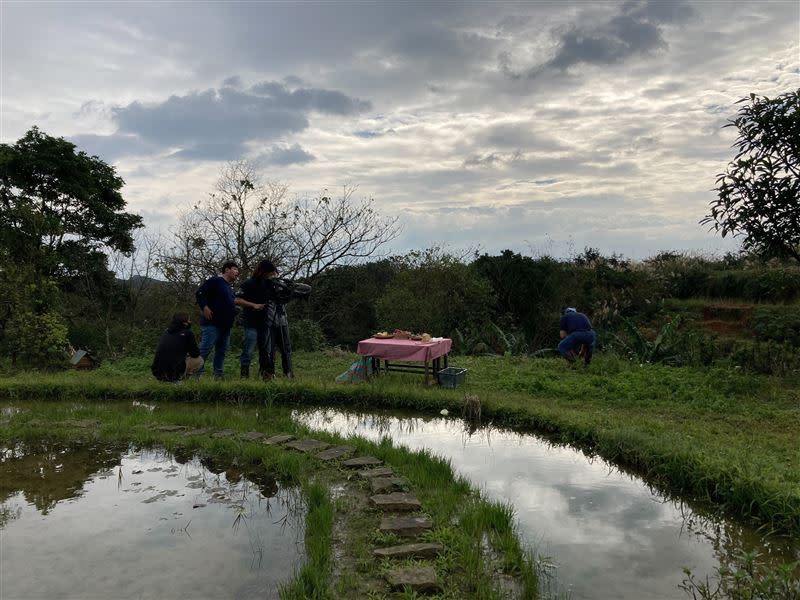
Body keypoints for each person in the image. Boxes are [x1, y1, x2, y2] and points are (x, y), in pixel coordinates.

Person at [195, 260, 239, 379]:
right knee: (205, 349)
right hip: (212, 323)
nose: (237, 272)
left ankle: (218, 375)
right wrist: (204, 307)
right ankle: (196, 374)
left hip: (226, 325)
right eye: (235, 269)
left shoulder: (229, 287)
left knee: (221, 351)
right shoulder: (216, 281)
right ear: (226, 270)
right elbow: (199, 293)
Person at [235, 259, 276, 380]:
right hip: (250, 322)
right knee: (248, 349)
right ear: (263, 271)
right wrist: (254, 305)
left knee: (265, 350)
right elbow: (237, 300)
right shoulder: (248, 284)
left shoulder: (269, 284)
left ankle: (266, 375)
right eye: (270, 272)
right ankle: (244, 375)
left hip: (264, 322)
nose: (271, 275)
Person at [151, 313, 203, 382]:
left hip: (157, 372)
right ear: (185, 323)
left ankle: (164, 379)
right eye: (189, 320)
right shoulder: (188, 333)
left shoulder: (166, 331)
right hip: (174, 373)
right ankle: (180, 379)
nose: (190, 322)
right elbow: (195, 354)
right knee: (199, 360)